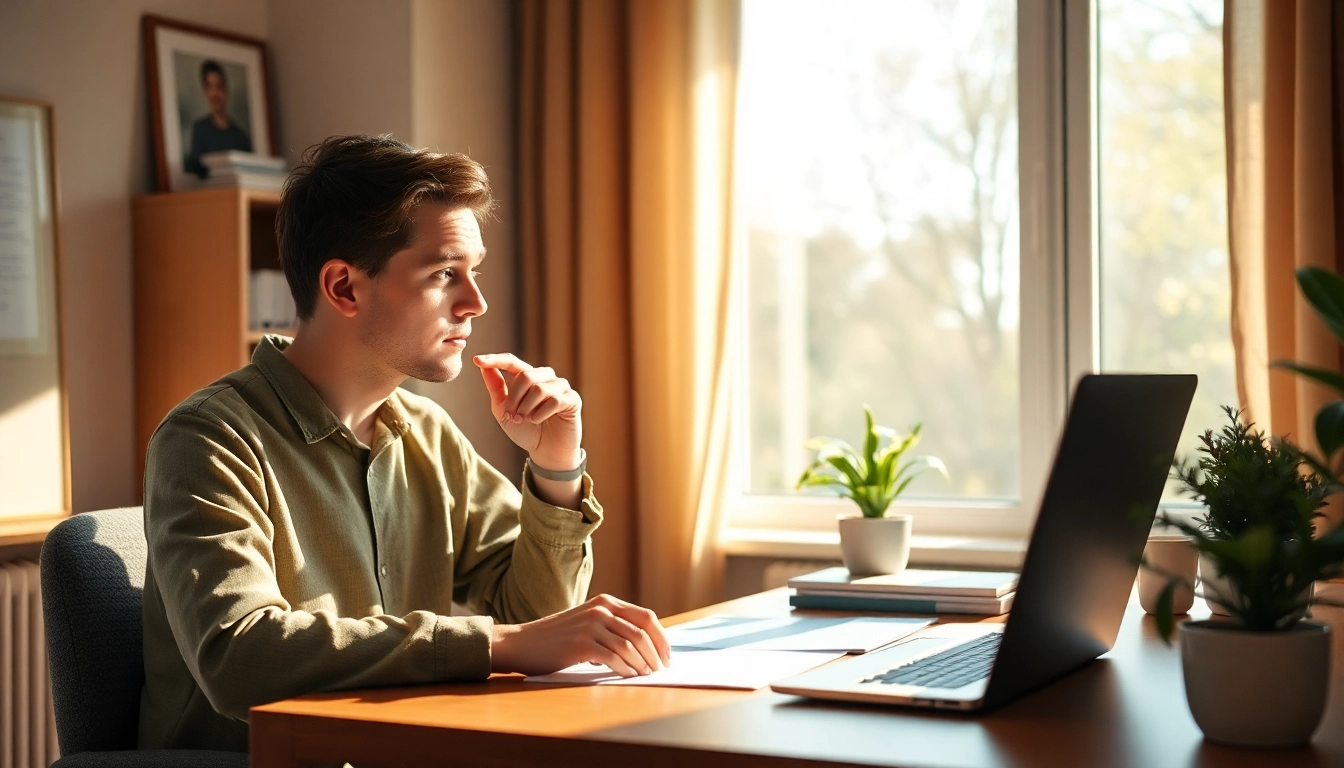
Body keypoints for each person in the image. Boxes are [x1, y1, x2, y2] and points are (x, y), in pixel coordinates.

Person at [138, 135, 671, 753]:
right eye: (445, 274)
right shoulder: (207, 437)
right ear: (343, 287)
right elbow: (241, 658)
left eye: (474, 272)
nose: (476, 303)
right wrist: (496, 643)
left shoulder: (426, 432)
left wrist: (555, 463)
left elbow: (538, 613)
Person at [183, 59, 252, 178]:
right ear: (205, 91)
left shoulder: (240, 136)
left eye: (219, 87)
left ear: (226, 89)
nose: (215, 94)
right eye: (210, 87)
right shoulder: (200, 129)